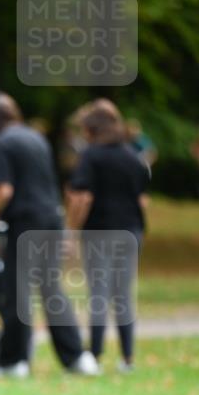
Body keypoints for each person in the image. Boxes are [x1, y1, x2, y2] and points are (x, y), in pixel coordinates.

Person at [0, 94, 99, 377]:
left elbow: (4, 190)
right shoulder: (35, 137)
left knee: (17, 292)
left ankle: (14, 361)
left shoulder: (4, 142)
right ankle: (77, 358)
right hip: (51, 218)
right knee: (51, 289)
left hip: (25, 222)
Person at [66, 99, 149, 372]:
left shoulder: (92, 156)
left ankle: (96, 356)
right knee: (123, 294)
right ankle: (127, 358)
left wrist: (72, 230)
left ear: (92, 129)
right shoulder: (133, 157)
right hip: (131, 232)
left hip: (100, 232)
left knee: (99, 294)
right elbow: (143, 200)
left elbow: (82, 197)